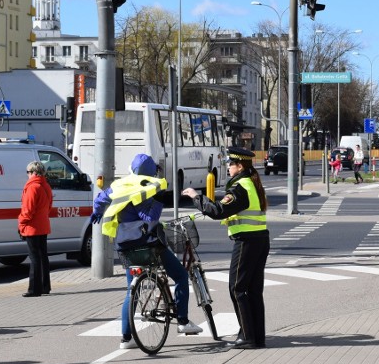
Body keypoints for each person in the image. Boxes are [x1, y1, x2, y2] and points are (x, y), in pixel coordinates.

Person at [92, 154, 202, 350]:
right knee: (180, 276)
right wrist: (158, 201)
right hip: (147, 244)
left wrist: (98, 212)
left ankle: (126, 338)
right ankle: (183, 322)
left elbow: (101, 198)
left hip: (124, 245)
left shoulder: (120, 185)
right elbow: (149, 218)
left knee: (130, 291)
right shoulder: (145, 189)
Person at [183, 146, 269, 349]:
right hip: (259, 240)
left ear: (239, 166)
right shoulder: (251, 183)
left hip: (247, 241)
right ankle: (257, 336)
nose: (228, 167)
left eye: (230, 164)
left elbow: (218, 210)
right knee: (253, 291)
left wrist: (196, 197)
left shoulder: (240, 187)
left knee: (237, 289)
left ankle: (247, 336)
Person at [19, 161, 53, 297]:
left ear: (33, 172)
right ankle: (45, 286)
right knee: (43, 256)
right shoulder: (46, 186)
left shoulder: (33, 187)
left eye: (28, 172)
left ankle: (34, 289)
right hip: (43, 225)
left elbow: (27, 210)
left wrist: (21, 224)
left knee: (34, 258)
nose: (27, 175)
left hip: (32, 227)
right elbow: (49, 206)